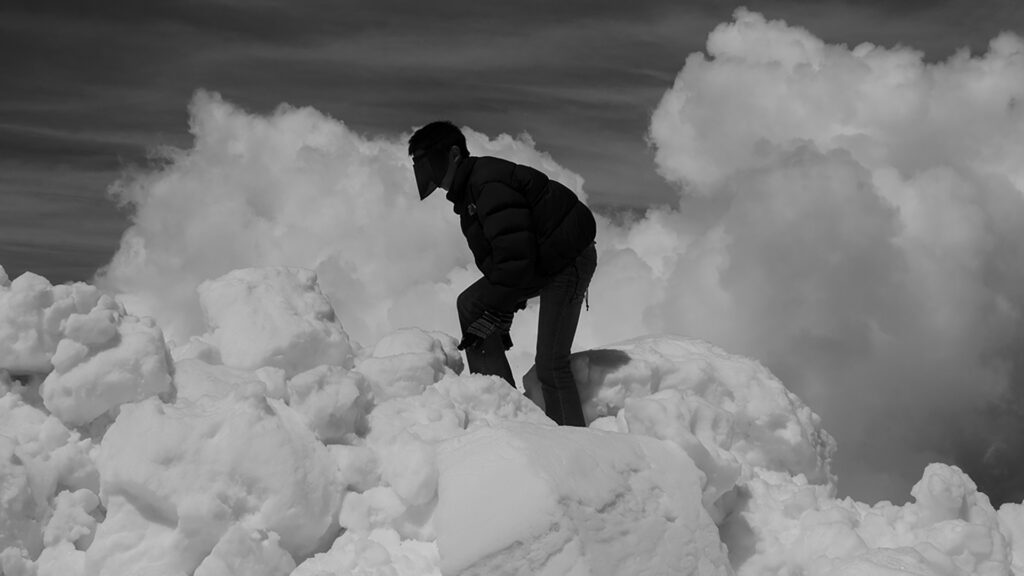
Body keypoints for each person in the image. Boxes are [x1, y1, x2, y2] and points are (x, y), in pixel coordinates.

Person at [408, 121, 597, 427]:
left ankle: (572, 445)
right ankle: (504, 410)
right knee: (471, 304)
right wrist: (501, 306)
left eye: (430, 163)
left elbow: (515, 259)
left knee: (550, 364)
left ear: (454, 154)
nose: (429, 175)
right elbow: (502, 263)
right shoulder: (468, 195)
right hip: (540, 260)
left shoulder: (487, 184)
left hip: (569, 260)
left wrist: (500, 308)